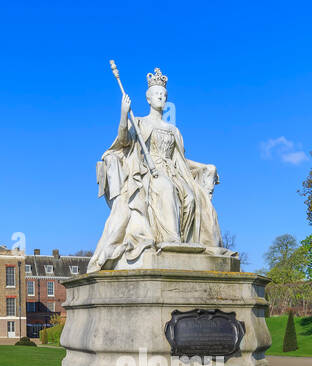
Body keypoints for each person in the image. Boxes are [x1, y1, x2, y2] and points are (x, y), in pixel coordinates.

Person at [90, 68, 222, 270]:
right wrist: (124, 115)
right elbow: (124, 142)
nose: (161, 97)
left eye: (163, 94)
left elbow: (181, 159)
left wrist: (206, 167)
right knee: (166, 188)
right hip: (148, 172)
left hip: (174, 170)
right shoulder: (140, 122)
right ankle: (171, 240)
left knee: (192, 197)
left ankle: (186, 244)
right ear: (148, 99)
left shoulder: (173, 130)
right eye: (157, 94)